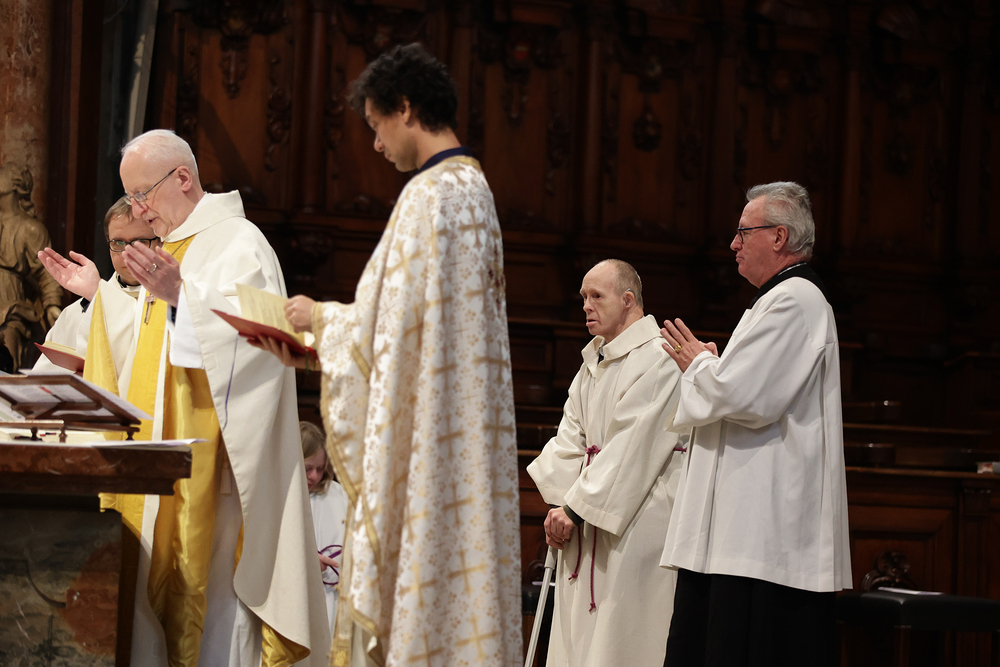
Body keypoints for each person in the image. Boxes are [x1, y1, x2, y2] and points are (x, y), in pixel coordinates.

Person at [251, 43, 521, 667]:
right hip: (460, 431)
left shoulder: (432, 195)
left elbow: (390, 327)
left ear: (405, 107)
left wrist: (316, 321)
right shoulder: (473, 189)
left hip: (433, 442)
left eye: (376, 125)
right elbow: (415, 330)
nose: (375, 144)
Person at [37, 129, 329, 667]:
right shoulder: (171, 250)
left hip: (216, 485)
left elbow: (273, 342)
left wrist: (183, 299)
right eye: (130, 198)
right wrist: (100, 295)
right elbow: (148, 350)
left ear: (183, 179)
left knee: (214, 623)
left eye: (141, 195)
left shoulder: (240, 244)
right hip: (161, 474)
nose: (138, 211)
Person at [659, 181, 851, 667]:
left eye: (744, 232)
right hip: (742, 528)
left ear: (779, 236)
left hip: (762, 533)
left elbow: (742, 396)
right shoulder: (778, 299)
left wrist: (700, 365)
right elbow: (742, 385)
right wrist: (713, 367)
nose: (733, 244)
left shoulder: (795, 300)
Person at [526, 259, 686, 667]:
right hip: (587, 516)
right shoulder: (592, 362)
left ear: (628, 300)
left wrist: (575, 509)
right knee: (579, 641)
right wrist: (561, 506)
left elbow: (631, 446)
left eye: (596, 296)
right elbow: (570, 438)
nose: (586, 305)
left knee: (622, 637)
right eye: (583, 296)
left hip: (635, 519)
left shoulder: (659, 358)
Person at [34, 197, 157, 374]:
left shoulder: (173, 306)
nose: (127, 254)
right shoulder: (76, 313)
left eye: (140, 242)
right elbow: (43, 379)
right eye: (118, 243)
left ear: (161, 241)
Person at [0, 161, 62, 369]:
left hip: (11, 307)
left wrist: (52, 304)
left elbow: (46, 272)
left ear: (15, 184)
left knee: (7, 361)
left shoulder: (30, 229)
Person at [300, 421, 349, 640]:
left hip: (332, 598)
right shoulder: (275, 498)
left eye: (320, 469)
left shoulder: (336, 494)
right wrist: (307, 561)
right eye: (307, 468)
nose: (314, 476)